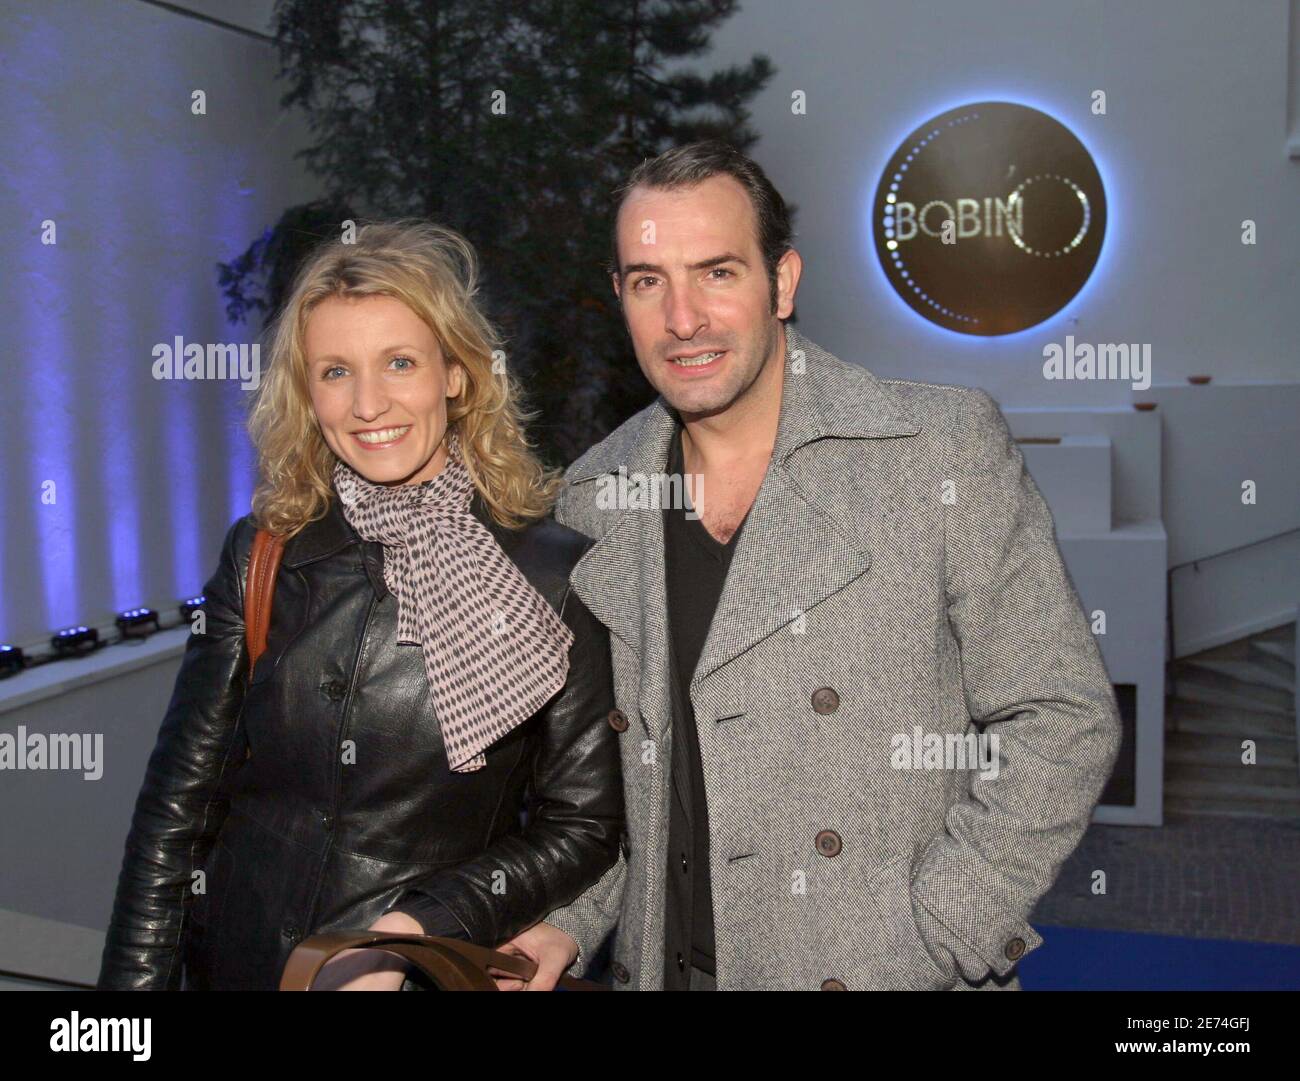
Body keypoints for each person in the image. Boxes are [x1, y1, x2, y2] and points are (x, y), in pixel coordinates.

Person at [498, 142, 1121, 991]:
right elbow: (617, 782)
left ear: (782, 282)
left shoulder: (934, 452)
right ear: (621, 298)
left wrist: (940, 927)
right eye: (649, 280)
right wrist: (571, 923)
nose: (683, 319)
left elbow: (1063, 715)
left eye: (717, 272)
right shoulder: (593, 496)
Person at [98, 220, 623, 991]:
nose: (368, 403)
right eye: (336, 371)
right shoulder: (263, 551)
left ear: (456, 373)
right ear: (308, 394)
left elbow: (582, 824)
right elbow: (177, 809)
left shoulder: (553, 574)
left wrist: (417, 930)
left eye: (399, 363)